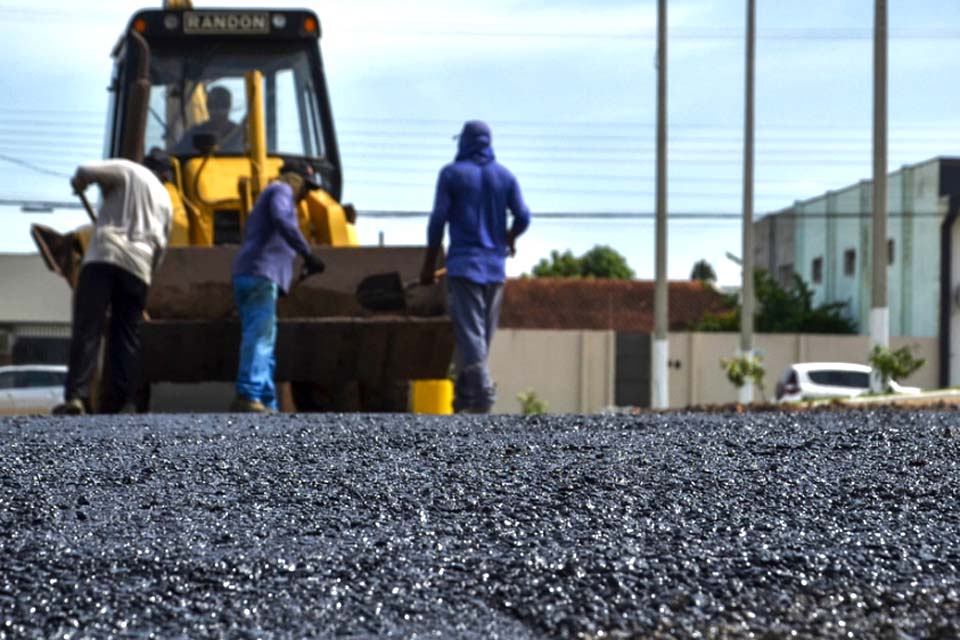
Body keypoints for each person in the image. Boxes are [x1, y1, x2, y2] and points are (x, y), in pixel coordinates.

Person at [420, 120, 530, 414]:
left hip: (464, 267)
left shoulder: (452, 174)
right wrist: (509, 237)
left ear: (464, 143)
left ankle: (482, 395)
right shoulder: (504, 177)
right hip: (494, 268)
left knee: (471, 335)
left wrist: (429, 265)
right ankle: (465, 401)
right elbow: (523, 217)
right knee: (481, 336)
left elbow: (438, 220)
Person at [53, 151, 175, 415]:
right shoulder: (166, 200)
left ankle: (77, 396)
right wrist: (147, 275)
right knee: (126, 336)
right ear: (166, 176)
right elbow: (162, 248)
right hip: (139, 267)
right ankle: (125, 401)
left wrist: (79, 183)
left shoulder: (129, 170)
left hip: (104, 256)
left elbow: (86, 168)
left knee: (89, 328)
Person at [230, 160, 326, 412]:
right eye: (305, 187)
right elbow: (283, 220)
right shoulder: (280, 191)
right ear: (294, 179)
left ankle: (265, 400)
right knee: (259, 335)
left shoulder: (272, 195)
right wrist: (306, 252)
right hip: (260, 275)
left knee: (266, 338)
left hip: (260, 276)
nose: (305, 195)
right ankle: (248, 395)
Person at [175, 86, 243, 154]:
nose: (217, 109)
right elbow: (176, 153)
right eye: (212, 104)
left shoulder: (241, 134)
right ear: (207, 106)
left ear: (229, 106)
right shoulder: (194, 134)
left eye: (222, 104)